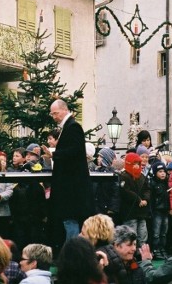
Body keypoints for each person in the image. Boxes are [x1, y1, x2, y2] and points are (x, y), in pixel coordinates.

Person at [48, 99, 94, 241]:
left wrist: (54, 154)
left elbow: (74, 151)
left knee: (70, 220)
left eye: (55, 113)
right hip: (71, 185)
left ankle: (72, 251)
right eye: (52, 114)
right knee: (69, 220)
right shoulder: (69, 126)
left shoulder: (73, 127)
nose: (54, 116)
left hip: (71, 186)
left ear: (64, 110)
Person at [119, 152, 150, 247]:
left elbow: (147, 190)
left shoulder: (142, 177)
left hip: (142, 212)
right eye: (134, 163)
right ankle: (131, 253)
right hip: (130, 211)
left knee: (143, 233)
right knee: (131, 234)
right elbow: (126, 191)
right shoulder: (124, 176)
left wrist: (145, 199)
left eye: (138, 164)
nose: (136, 166)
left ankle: (141, 252)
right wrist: (138, 200)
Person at [148, 160, 170, 259]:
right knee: (156, 233)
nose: (162, 174)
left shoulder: (166, 183)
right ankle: (155, 249)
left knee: (164, 233)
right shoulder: (152, 183)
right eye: (160, 172)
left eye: (164, 171)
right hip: (157, 211)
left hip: (165, 210)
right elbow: (151, 199)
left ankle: (162, 248)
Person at [93, 148, 120, 223]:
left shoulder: (112, 173)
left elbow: (116, 192)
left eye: (100, 157)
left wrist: (112, 208)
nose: (98, 158)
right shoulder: (96, 171)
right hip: (97, 206)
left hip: (106, 207)